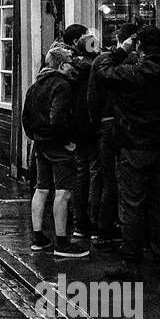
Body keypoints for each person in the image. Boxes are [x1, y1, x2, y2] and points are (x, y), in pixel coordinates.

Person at [93, 24, 160, 278]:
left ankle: (130, 260)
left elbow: (102, 71)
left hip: (134, 145)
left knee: (132, 203)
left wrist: (121, 50)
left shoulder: (131, 74)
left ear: (140, 46)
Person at [22, 44, 90, 259]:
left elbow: (26, 118)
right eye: (70, 62)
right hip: (57, 145)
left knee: (41, 189)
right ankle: (62, 242)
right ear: (61, 65)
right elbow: (58, 117)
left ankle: (38, 238)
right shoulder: (61, 85)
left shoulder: (35, 85)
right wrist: (67, 141)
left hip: (40, 144)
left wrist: (36, 137)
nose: (74, 66)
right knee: (63, 191)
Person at [88, 22, 138, 247]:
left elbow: (92, 98)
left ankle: (102, 226)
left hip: (105, 125)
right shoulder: (134, 63)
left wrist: (94, 123)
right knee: (121, 179)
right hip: (125, 127)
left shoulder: (103, 62)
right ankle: (114, 226)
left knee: (106, 177)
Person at [62, 24, 102, 241]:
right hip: (94, 127)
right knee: (96, 174)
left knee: (79, 174)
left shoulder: (70, 70)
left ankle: (79, 225)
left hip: (76, 128)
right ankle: (95, 224)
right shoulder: (97, 69)